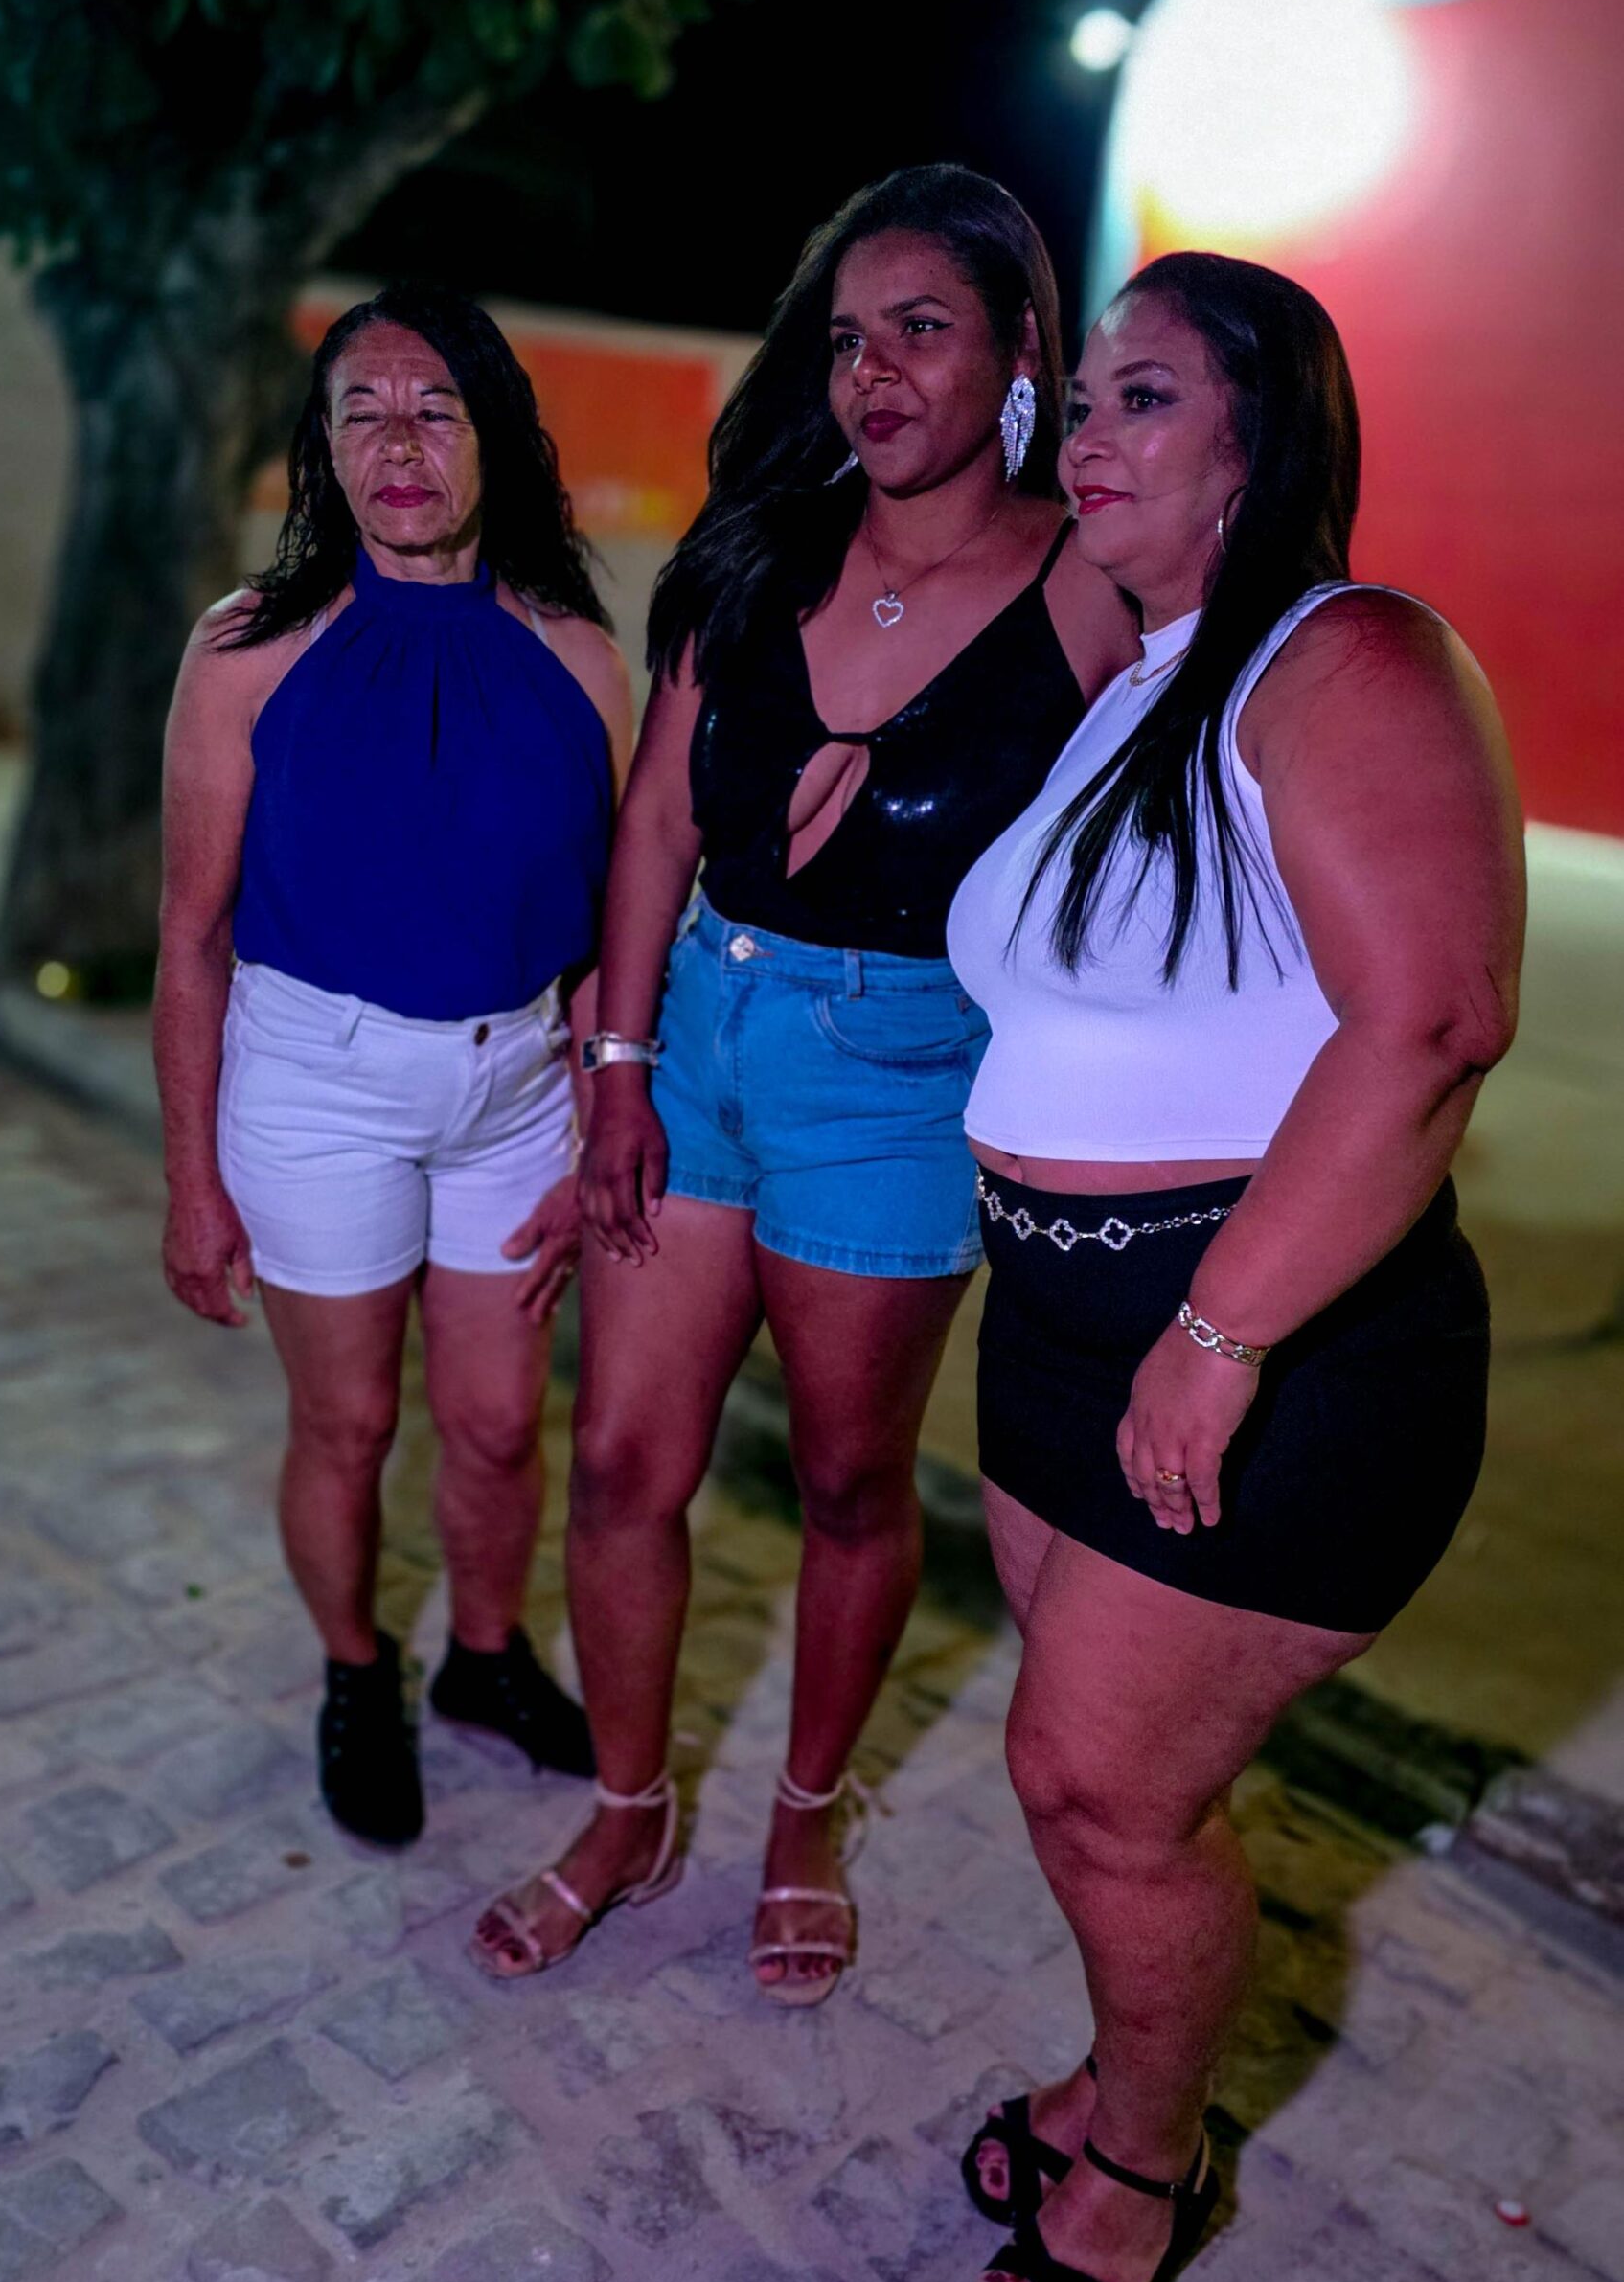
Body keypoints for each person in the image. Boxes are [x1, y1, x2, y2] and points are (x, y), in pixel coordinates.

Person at [469, 165, 1137, 1998]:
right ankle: (628, 1809)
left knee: (850, 1480)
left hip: (903, 1076)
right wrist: (615, 1066)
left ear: (1020, 351)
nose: (874, 374)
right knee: (625, 1460)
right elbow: (658, 822)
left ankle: (805, 1812)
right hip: (699, 1032)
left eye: (921, 330)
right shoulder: (760, 548)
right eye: (849, 341)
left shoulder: (1092, 587)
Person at [944, 251, 1523, 2282]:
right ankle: (1135, 2074)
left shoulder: (1345, 654)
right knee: (1117, 1788)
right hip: (1065, 1327)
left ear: (1258, 439)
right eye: (1082, 399)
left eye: (1145, 397)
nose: (1085, 438)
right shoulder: (1144, 681)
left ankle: (1142, 2170)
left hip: (1270, 1344)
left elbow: (1434, 1018)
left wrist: (1217, 1332)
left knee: (1092, 1786)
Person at [155, 283, 632, 1848]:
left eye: (434, 408)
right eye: (360, 412)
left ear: (496, 437)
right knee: (350, 1423)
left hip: (517, 1092)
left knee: (497, 1424)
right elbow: (190, 933)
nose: (398, 442)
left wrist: (597, 1117)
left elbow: (608, 930)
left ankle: (482, 1659)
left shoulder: (578, 656)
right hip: (317, 1085)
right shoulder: (248, 648)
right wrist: (191, 1180)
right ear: (323, 452)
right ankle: (358, 1669)